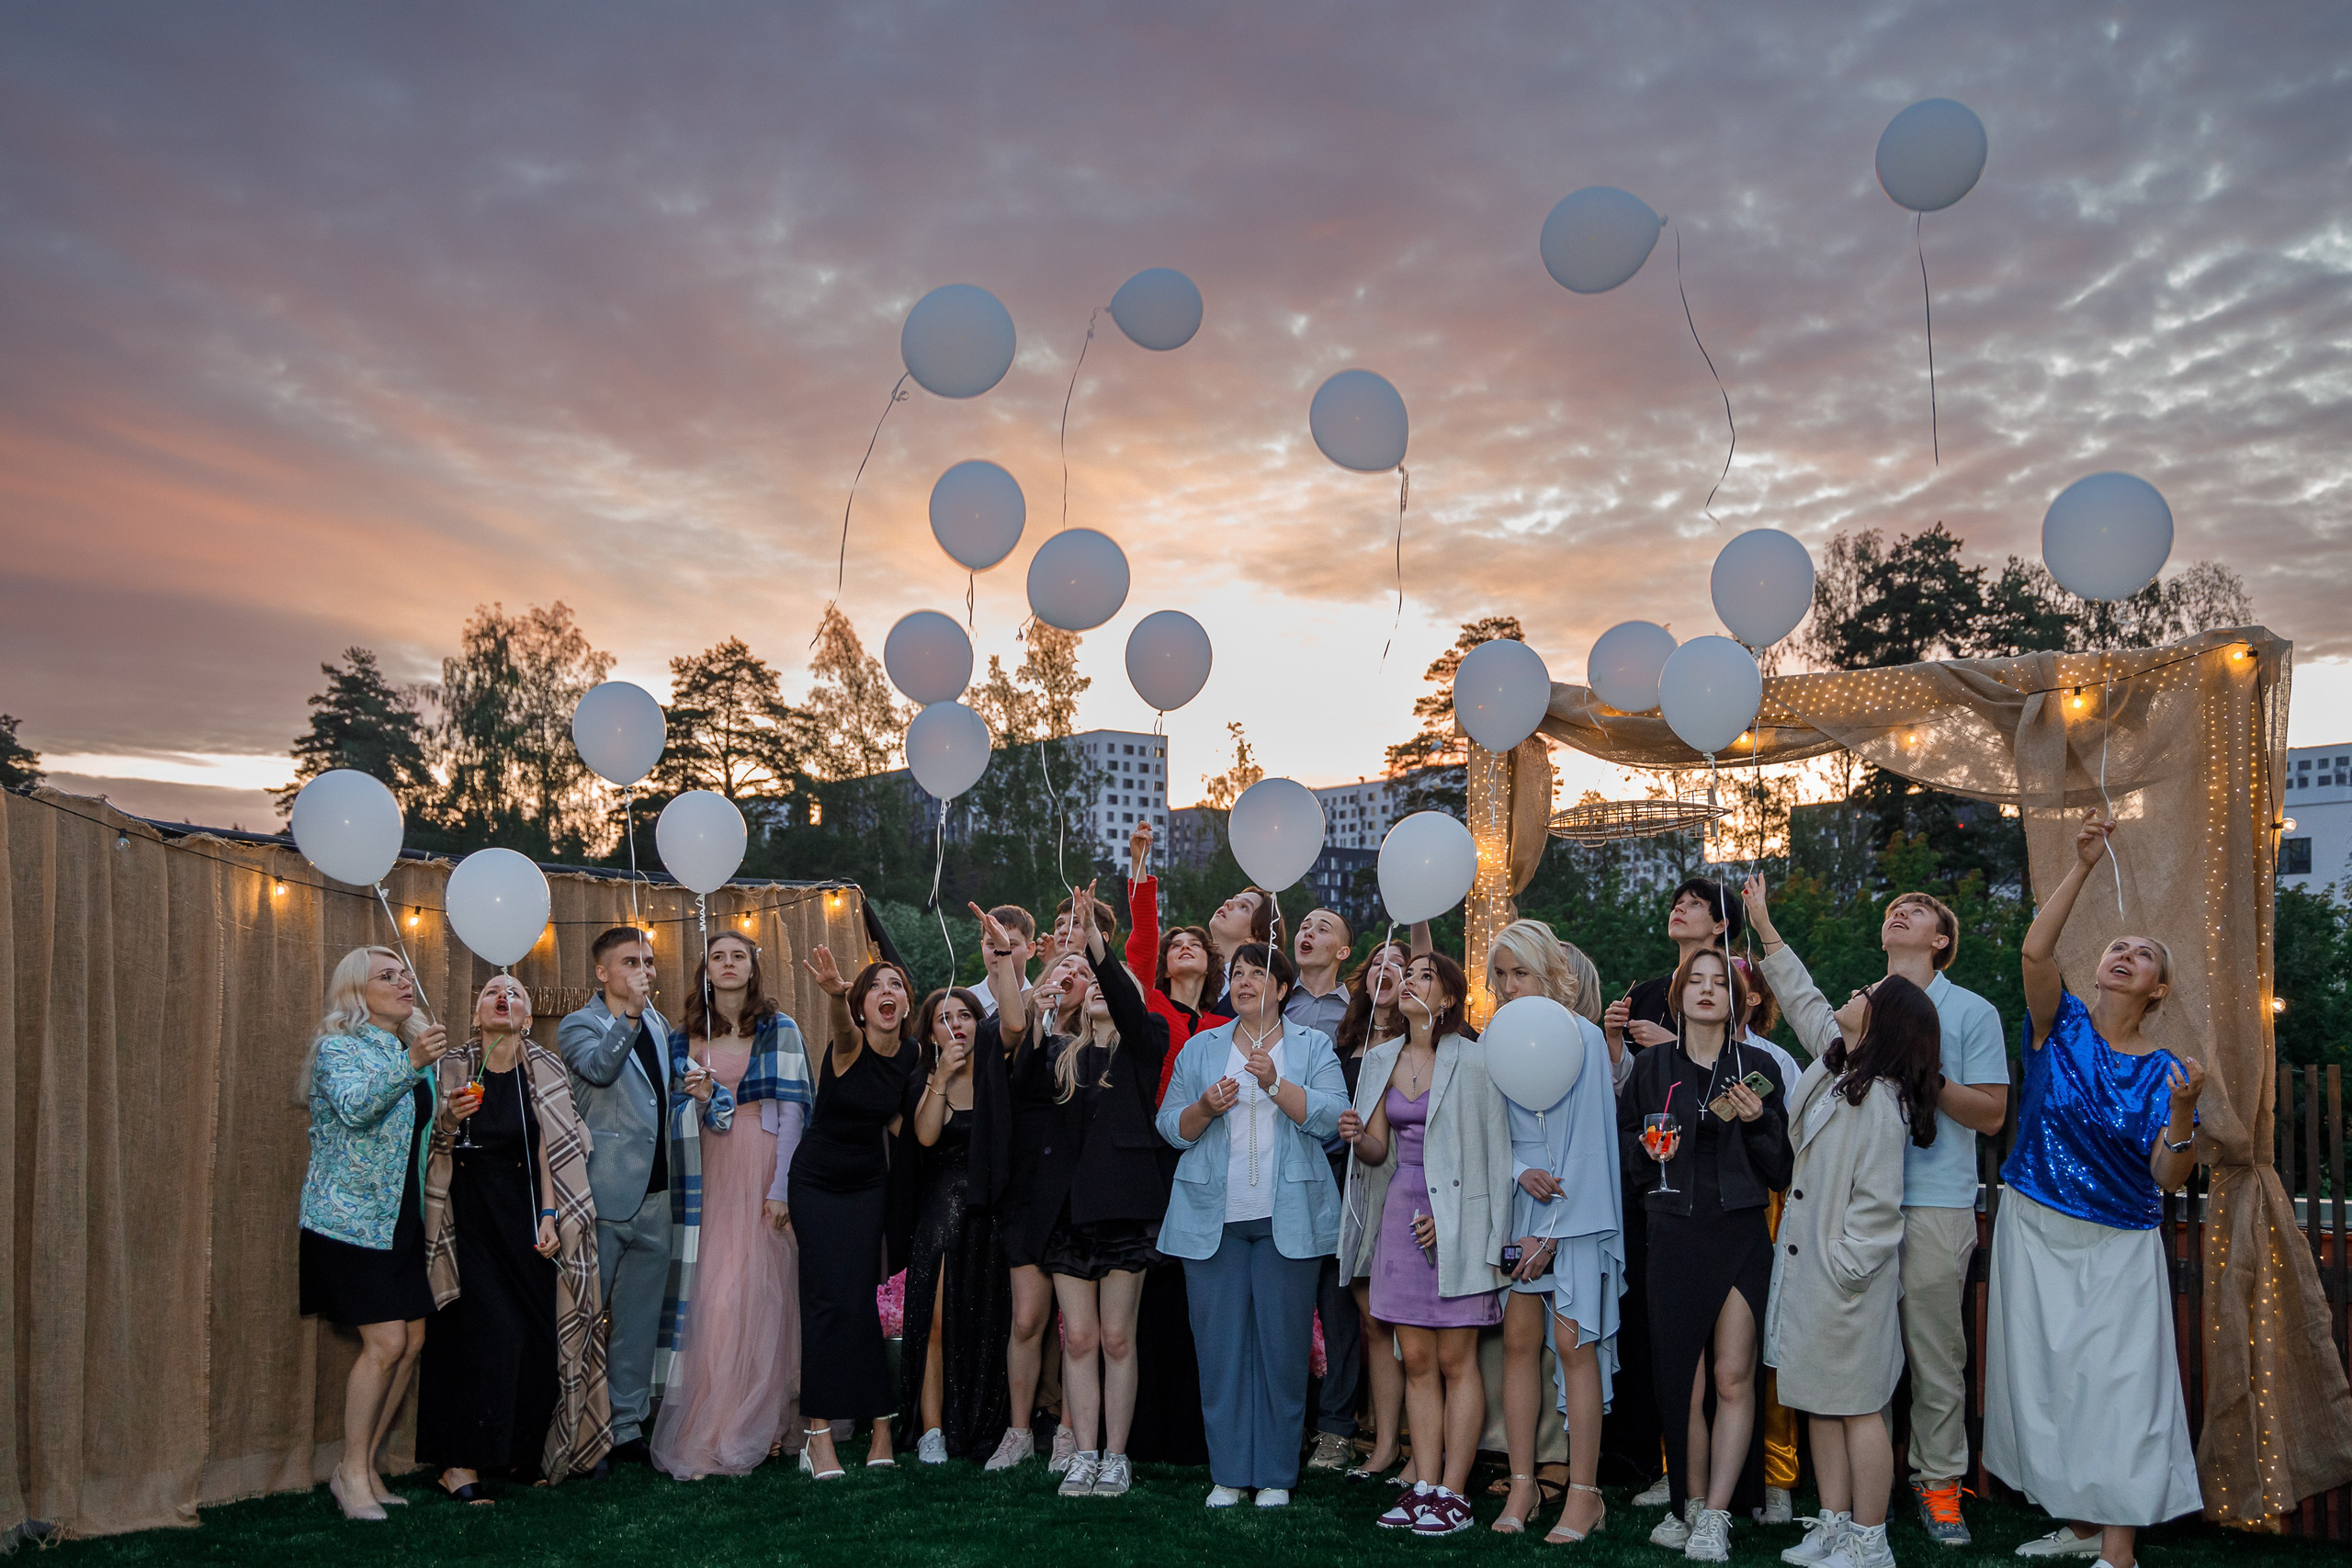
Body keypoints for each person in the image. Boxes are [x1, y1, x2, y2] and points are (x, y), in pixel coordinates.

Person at [1984, 814, 2203, 1568]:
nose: (2125, 955)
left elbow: (2168, 1176)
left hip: (2119, 1243)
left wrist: (2180, 1116)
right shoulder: (2060, 1024)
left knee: (2120, 1391)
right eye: (2118, 946)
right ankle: (2080, 1524)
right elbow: (2035, 950)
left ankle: (2119, 1551)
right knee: (2048, 1385)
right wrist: (2079, 866)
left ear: (2158, 987)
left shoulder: (2167, 1068)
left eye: (2143, 955)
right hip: (2034, 1223)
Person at [1746, 877, 1943, 1568]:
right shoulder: (1837, 1068)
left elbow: (1878, 1207)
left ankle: (1869, 1538)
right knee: (1816, 1401)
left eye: (1865, 993)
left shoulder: (1881, 1102)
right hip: (1810, 1270)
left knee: (1857, 1407)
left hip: (1843, 1281)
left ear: (1883, 1022)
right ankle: (1831, 1523)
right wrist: (1765, 928)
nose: (1854, 992)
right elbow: (1800, 997)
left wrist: (1845, 1268)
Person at [1157, 942, 1348, 1510]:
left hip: (1288, 1219)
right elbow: (1171, 1126)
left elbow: (1333, 1119)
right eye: (1237, 973)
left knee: (1283, 1352)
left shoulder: (1310, 1044)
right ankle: (1228, 1473)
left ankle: (1275, 1476)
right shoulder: (1201, 1047)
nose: (1243, 980)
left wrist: (1276, 1085)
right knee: (1219, 1352)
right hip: (1209, 1220)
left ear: (1282, 989)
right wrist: (1204, 1109)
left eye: (1257, 972)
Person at [1617, 948, 1792, 1562]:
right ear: (1679, 995)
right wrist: (1648, 1153)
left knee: (1732, 1376)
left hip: (1740, 1232)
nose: (1710, 990)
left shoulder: (1761, 1065)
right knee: (1682, 1386)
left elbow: (1780, 1170)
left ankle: (1716, 1515)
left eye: (1723, 982)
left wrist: (1759, 1121)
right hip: (1671, 1233)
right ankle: (1686, 1505)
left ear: (1740, 999)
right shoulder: (1650, 1066)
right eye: (1698, 981)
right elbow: (1627, 1157)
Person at [420, 976, 612, 1499]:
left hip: (528, 1221)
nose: (502, 997)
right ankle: (458, 1464)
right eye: (490, 991)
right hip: (469, 1222)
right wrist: (447, 1119)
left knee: (536, 1335)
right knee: (488, 1336)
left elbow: (555, 1148)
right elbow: (428, 1148)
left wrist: (550, 1215)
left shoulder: (546, 1068)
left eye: (515, 993)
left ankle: (520, 1454)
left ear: (528, 1016)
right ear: (475, 1010)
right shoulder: (451, 1066)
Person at [1343, 953, 1512, 1537]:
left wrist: (1457, 1222)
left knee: (1454, 1361)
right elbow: (1376, 1153)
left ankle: (1454, 1493)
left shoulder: (1475, 1059)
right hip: (1400, 1214)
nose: (1408, 982)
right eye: (1406, 974)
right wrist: (1357, 1136)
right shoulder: (1382, 1057)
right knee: (1414, 1360)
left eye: (1422, 976)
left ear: (1446, 998)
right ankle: (1422, 1486)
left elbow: (1495, 1156)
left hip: (1456, 1219)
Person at [1017, 885, 1172, 1498]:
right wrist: (1034, 1007)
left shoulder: (1145, 1041)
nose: (1102, 988)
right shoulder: (1059, 1050)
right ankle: (1083, 1454)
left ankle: (1116, 1456)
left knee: (1115, 1337)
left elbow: (1131, 1006)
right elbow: (1020, 1083)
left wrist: (1092, 939)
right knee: (1077, 1338)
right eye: (1094, 983)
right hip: (1067, 1216)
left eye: (1111, 982)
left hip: (1125, 1211)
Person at [1600, 875, 1744, 1501]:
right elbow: (1628, 1099)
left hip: (1713, 1185)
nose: (1678, 907)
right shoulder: (1647, 990)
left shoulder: (1736, 981)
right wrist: (1612, 1043)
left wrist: (1673, 1047)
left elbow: (1746, 1067)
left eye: (1693, 904)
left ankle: (1706, 1470)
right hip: (1651, 1180)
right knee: (1652, 1324)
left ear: (1719, 927)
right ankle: (1654, 1456)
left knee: (1716, 1343)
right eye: (1676, 900)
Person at [1872, 891, 2010, 1546]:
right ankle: (1867, 1486)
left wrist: (1923, 1070)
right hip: (1861, 1203)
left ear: (1940, 941)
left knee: (1935, 1357)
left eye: (1919, 909)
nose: (1901, 911)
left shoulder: (1973, 1010)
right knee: (1862, 1353)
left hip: (1936, 1202)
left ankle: (1940, 1486)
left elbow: (1990, 1113)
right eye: (1894, 905)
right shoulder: (1861, 1004)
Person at [648, 931, 812, 1479]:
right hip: (705, 1173)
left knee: (762, 1298)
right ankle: (714, 1424)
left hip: (761, 1166)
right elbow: (667, 1110)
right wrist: (693, 1101)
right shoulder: (685, 1036)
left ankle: (761, 1425)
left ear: (752, 967)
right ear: (706, 970)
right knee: (712, 1302)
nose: (727, 964)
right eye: (717, 956)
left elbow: (793, 1113)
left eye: (737, 955)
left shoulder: (778, 1029)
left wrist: (781, 1189)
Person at [299, 946, 449, 1521]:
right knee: (385, 1342)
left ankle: (362, 1468)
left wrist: (450, 1116)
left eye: (405, 972)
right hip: (348, 1219)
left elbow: (415, 1129)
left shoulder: (406, 1050)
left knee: (412, 1342)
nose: (402, 982)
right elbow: (359, 1109)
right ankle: (350, 1473)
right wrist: (411, 1063)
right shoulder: (338, 1048)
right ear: (357, 992)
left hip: (401, 1216)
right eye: (386, 976)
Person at [1485, 921, 1623, 1544]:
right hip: (1519, 1205)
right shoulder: (1494, 1038)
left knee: (1573, 1345)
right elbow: (1492, 1134)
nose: (1510, 986)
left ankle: (1585, 1492)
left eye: (1522, 972)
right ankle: (1521, 1482)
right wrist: (1519, 1172)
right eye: (1502, 974)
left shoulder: (1585, 1038)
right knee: (1518, 1342)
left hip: (1576, 1212)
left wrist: (1556, 1234)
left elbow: (1594, 1142)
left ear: (1550, 974)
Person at [558, 927, 703, 1467]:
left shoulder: (662, 1025)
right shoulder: (580, 1023)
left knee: (638, 1327)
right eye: (630, 961)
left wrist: (699, 1094)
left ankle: (625, 1429)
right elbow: (599, 1068)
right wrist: (632, 1017)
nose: (644, 970)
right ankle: (571, 1428)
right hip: (600, 1198)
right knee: (581, 1318)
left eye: (648, 961)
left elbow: (658, 1101)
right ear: (602, 972)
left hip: (657, 1198)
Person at [793, 951, 924, 1477]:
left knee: (864, 1304)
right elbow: (843, 1034)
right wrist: (832, 994)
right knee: (828, 1303)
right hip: (818, 1183)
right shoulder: (848, 1044)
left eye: (897, 983)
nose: (887, 991)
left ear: (906, 1002)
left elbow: (896, 1119)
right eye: (875, 986)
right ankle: (818, 1436)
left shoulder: (914, 1054)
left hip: (871, 1184)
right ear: (862, 1006)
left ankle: (881, 1429)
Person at [973, 942, 1096, 1473]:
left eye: (1085, 968)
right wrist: (1029, 1004)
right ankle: (1018, 1431)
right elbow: (1010, 1057)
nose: (1073, 972)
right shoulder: (1025, 1030)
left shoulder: (1098, 1041)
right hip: (1024, 1189)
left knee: (1077, 1327)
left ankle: (1069, 1431)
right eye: (1064, 965)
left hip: (1075, 1192)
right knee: (1027, 1319)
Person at [898, 981, 1015, 1463]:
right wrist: (940, 1078)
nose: (956, 1024)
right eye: (944, 1018)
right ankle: (931, 1429)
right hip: (941, 1212)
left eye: (964, 1015)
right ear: (931, 1034)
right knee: (935, 1322)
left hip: (991, 1214)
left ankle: (981, 1422)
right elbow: (925, 1138)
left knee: (987, 1323)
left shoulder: (997, 1072)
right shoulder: (923, 1078)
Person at [1331, 936, 1416, 1482]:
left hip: (1407, 1182)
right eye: (1378, 963)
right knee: (1376, 1321)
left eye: (1400, 965)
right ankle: (1385, 1445)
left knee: (1411, 1322)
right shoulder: (1343, 1043)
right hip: (1354, 1181)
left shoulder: (1424, 1040)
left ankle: (1419, 1441)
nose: (1385, 970)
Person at [1727, 956, 1804, 1525]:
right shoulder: (1673, 1058)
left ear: (1753, 999)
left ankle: (1778, 1477)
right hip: (1696, 1218)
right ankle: (1676, 1470)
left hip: (1765, 1218)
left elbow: (1794, 1152)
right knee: (1696, 1354)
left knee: (1769, 1353)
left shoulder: (1775, 1062)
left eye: (1727, 983)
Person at [1125, 822, 1217, 1102]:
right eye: (1175, 946)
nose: (1185, 947)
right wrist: (1138, 863)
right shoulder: (1147, 1000)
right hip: (1147, 1132)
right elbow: (1144, 934)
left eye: (1194, 944)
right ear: (1163, 967)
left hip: (1206, 1139)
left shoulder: (1226, 1026)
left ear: (1209, 963)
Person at [973, 905, 1037, 1019]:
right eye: (992, 944)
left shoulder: (1039, 1003)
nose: (999, 951)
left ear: (1030, 950)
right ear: (982, 946)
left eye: (1010, 944)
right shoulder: (965, 1004)